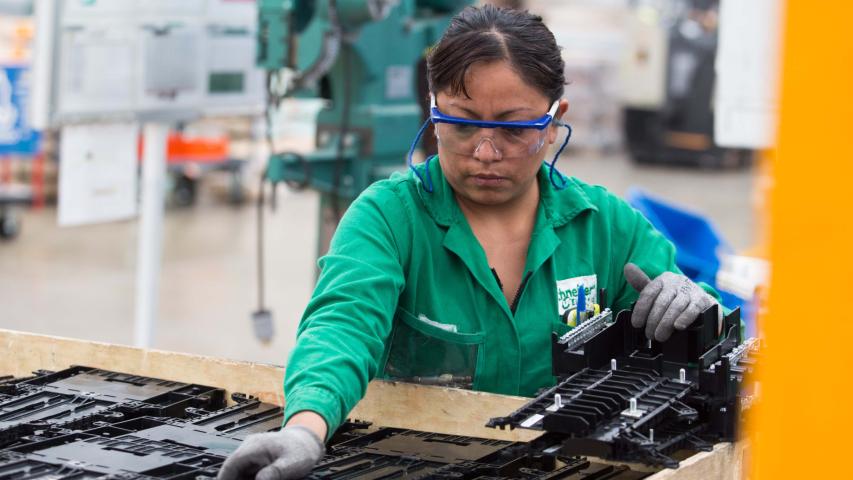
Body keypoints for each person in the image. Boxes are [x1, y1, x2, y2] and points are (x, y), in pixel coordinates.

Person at [218, 5, 721, 480]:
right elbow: (341, 328)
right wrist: (304, 431)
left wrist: (695, 313)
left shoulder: (606, 226)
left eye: (513, 128)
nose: (485, 151)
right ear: (433, 111)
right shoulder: (389, 219)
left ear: (553, 120)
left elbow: (699, 328)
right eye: (460, 124)